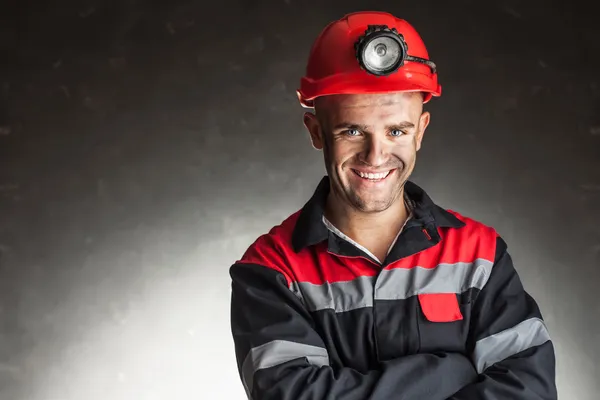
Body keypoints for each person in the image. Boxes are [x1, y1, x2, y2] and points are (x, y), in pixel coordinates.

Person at [228, 11, 557, 400]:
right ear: (316, 132)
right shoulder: (272, 270)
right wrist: (450, 372)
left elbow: (529, 391)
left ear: (421, 131)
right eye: (352, 130)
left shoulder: (479, 257)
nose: (376, 155)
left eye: (396, 131)